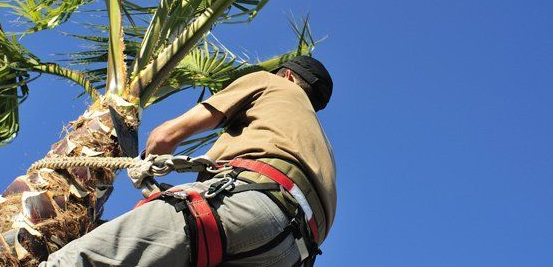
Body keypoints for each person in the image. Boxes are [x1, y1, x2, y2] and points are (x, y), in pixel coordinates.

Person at [42, 55, 336, 266]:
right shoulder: (320, 145)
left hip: (247, 207)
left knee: (75, 261)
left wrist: (146, 160)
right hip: (293, 252)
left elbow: (168, 135)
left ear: (286, 75)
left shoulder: (273, 85)